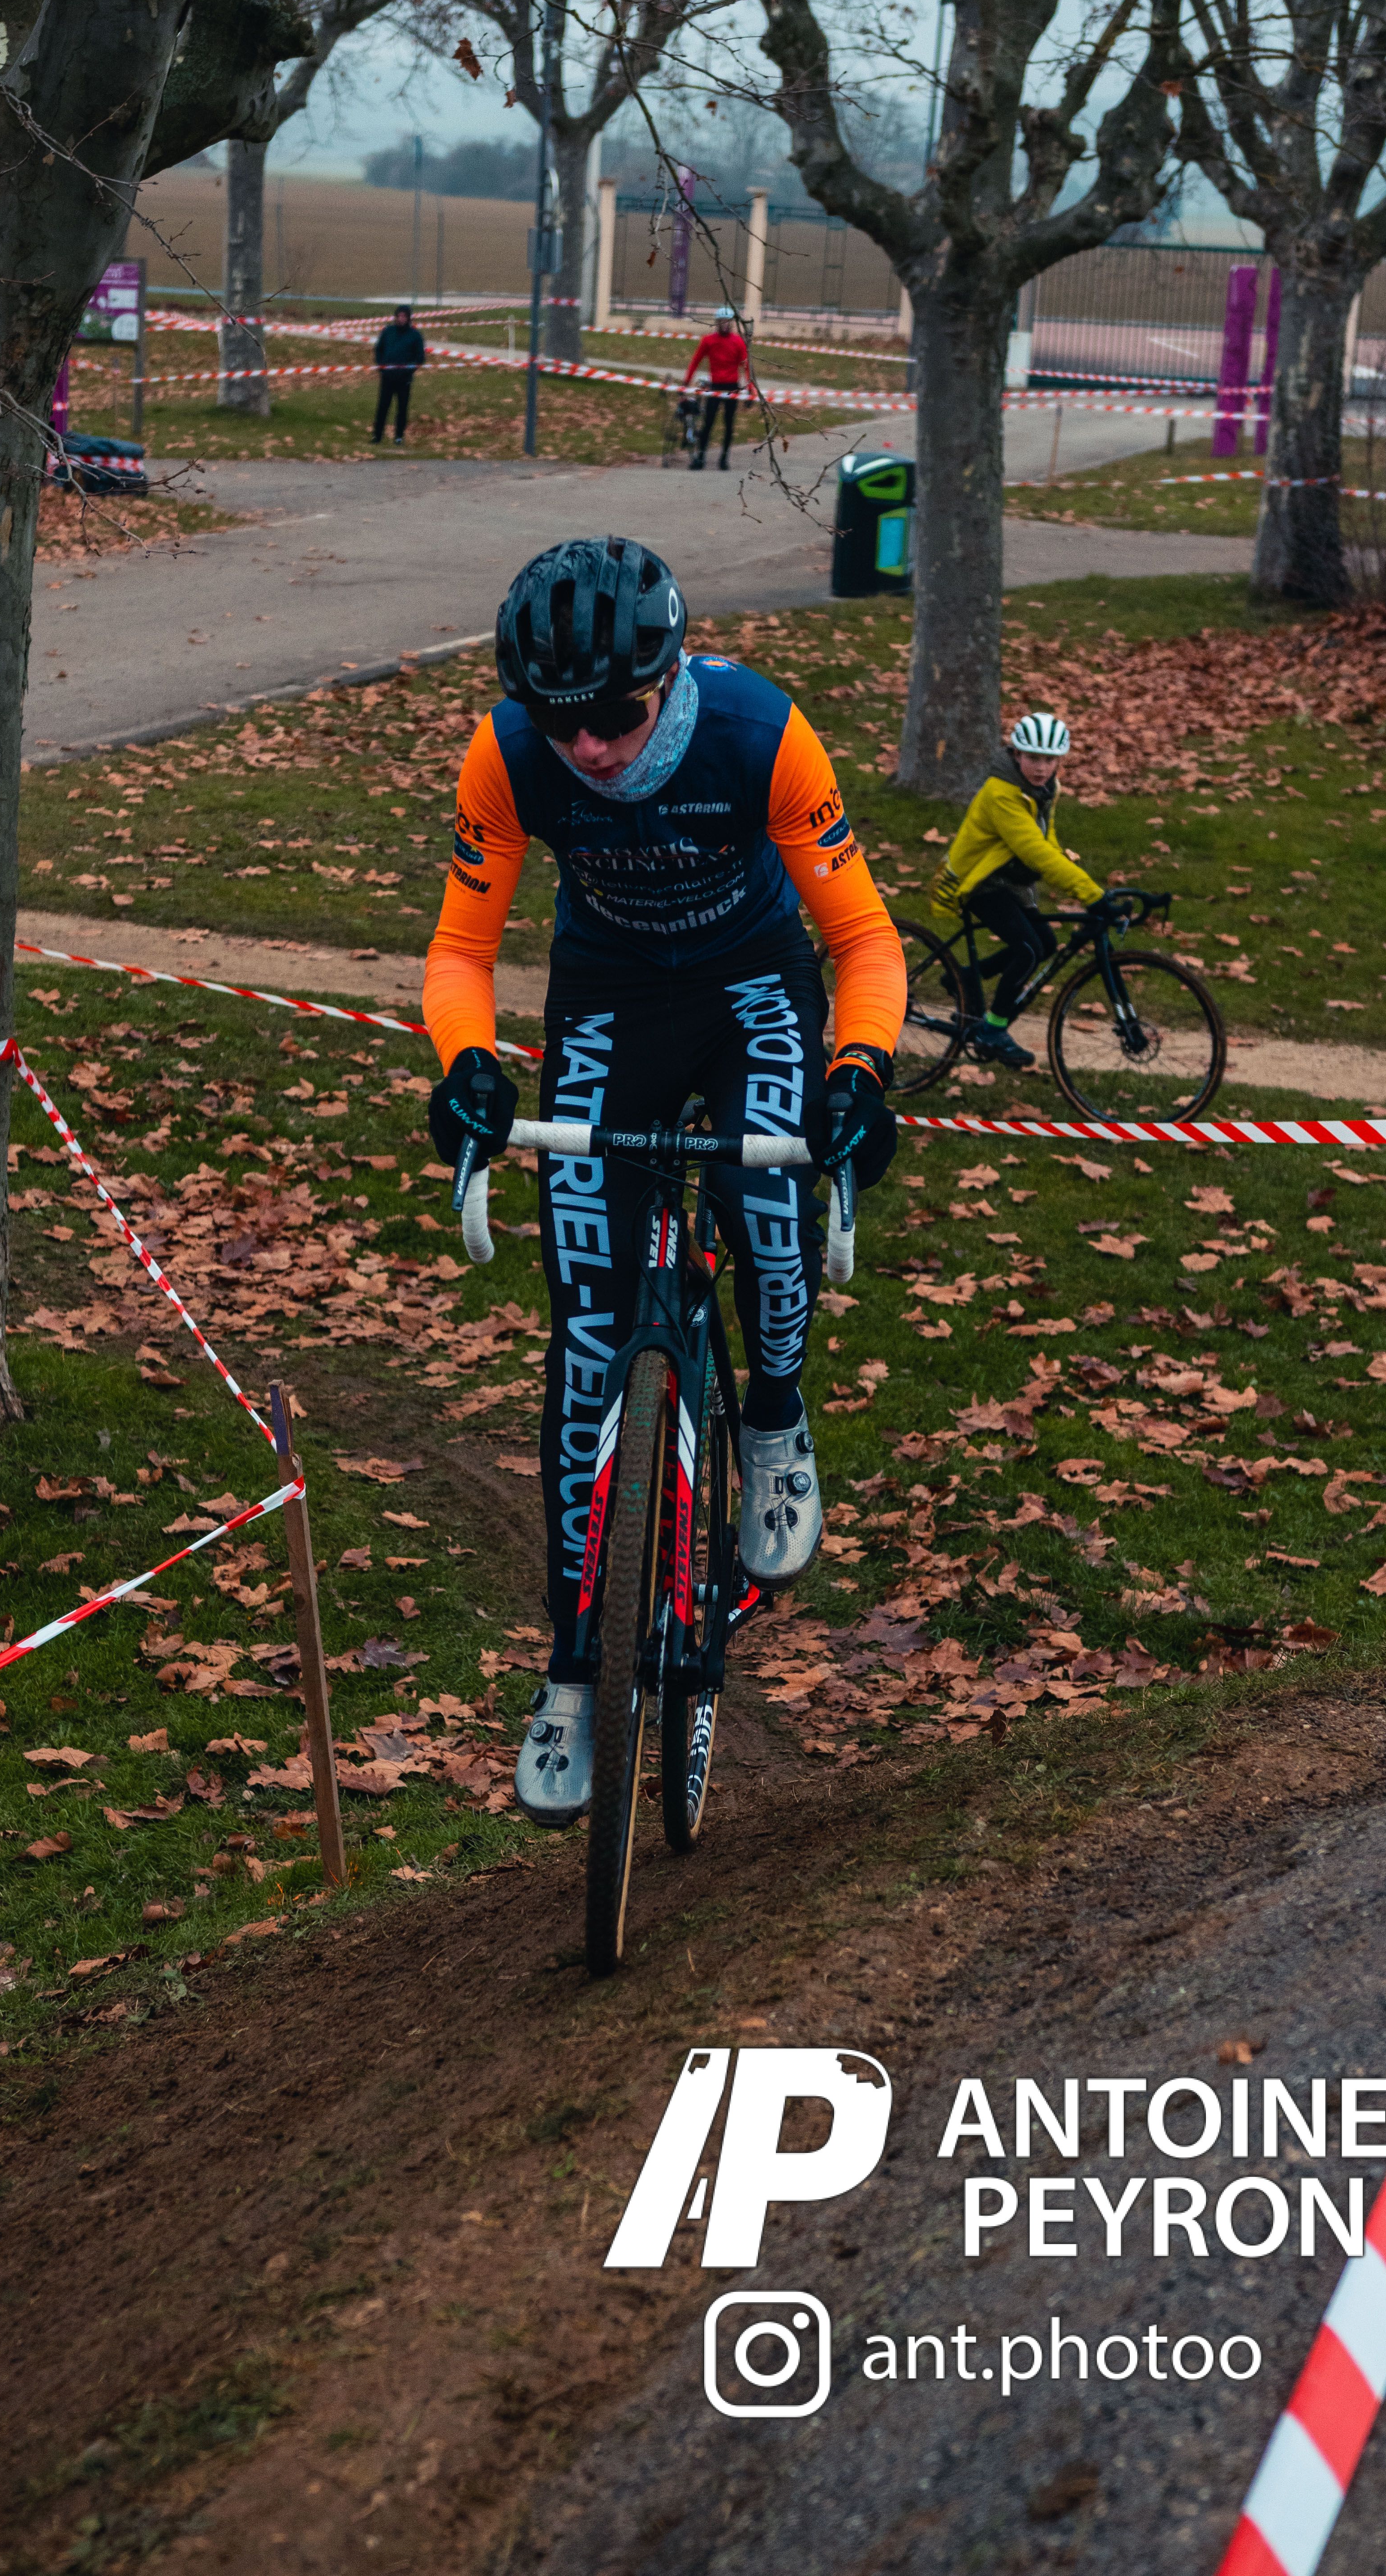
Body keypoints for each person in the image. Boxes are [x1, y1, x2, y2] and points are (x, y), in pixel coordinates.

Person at [421, 536, 905, 1824]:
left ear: (671, 675)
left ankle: (775, 1420)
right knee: (588, 1339)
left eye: (616, 716)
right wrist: (468, 1065)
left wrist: (858, 1073)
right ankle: (576, 1665)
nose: (587, 748)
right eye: (560, 721)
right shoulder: (507, 755)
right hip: (609, 1002)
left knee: (768, 1210)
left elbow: (863, 939)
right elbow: (461, 952)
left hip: (753, 990)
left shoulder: (760, 734)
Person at [927, 712, 1103, 1073]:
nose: (1041, 768)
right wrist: (1091, 894)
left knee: (1046, 945)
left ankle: (965, 978)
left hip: (1008, 882)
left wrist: (1080, 882)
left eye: (1050, 760)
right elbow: (1032, 850)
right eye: (1033, 758)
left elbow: (1046, 842)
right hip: (979, 882)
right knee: (1028, 950)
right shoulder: (1002, 793)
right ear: (1016, 754)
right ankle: (993, 1031)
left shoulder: (1044, 789)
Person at [680, 304, 753, 470]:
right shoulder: (709, 341)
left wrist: (751, 390)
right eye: (722, 321)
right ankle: (700, 458)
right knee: (708, 423)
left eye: (728, 322)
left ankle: (724, 459)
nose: (725, 325)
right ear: (717, 323)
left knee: (729, 424)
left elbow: (747, 367)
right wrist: (686, 383)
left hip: (732, 388)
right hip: (715, 387)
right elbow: (695, 362)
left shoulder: (738, 342)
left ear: (732, 323)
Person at [372, 303, 425, 444]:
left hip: (404, 379)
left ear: (409, 318)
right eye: (399, 316)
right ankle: (377, 436)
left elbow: (420, 358)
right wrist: (382, 367)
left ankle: (399, 437)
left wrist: (409, 371)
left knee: (402, 409)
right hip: (387, 378)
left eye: (404, 317)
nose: (401, 319)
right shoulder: (388, 332)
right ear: (396, 317)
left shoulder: (415, 335)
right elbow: (379, 350)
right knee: (383, 407)